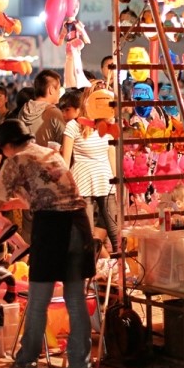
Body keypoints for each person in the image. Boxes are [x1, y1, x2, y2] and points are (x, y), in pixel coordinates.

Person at [0, 119, 95, 368]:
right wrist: (8, 204)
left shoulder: (15, 160)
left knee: (39, 299)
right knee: (75, 299)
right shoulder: (50, 154)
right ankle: (80, 366)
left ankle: (27, 361)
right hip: (78, 222)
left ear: (8, 146)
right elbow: (46, 194)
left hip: (50, 227)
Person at [61, 87, 119, 252]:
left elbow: (111, 153)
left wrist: (116, 182)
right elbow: (65, 160)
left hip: (105, 180)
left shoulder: (108, 124)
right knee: (85, 232)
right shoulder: (73, 126)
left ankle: (121, 263)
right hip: (82, 181)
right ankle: (89, 264)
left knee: (115, 229)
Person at [18, 69, 65, 147]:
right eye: (58, 88)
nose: (59, 92)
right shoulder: (55, 113)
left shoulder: (23, 110)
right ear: (51, 90)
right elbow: (65, 143)